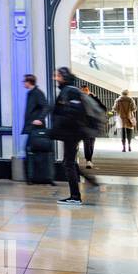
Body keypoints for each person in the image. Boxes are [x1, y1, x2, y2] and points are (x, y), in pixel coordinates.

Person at [49, 66, 90, 205]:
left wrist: (61, 126)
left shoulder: (70, 91)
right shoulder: (69, 90)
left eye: (58, 76)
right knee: (69, 162)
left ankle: (75, 196)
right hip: (71, 133)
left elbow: (71, 113)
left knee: (69, 163)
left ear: (64, 77)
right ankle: (78, 191)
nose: (55, 78)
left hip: (71, 134)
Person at [21, 74, 53, 185]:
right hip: (32, 127)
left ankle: (31, 178)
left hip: (35, 128)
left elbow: (46, 106)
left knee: (29, 149)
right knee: (31, 150)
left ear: (29, 82)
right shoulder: (31, 93)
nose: (23, 83)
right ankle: (34, 177)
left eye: (24, 81)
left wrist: (39, 119)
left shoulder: (36, 93)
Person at [79, 84, 105, 169]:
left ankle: (89, 159)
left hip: (93, 125)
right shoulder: (79, 99)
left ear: (88, 90)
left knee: (91, 143)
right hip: (84, 124)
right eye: (83, 90)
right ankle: (88, 160)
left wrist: (96, 97)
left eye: (86, 90)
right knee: (87, 143)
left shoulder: (93, 98)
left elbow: (103, 108)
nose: (84, 92)